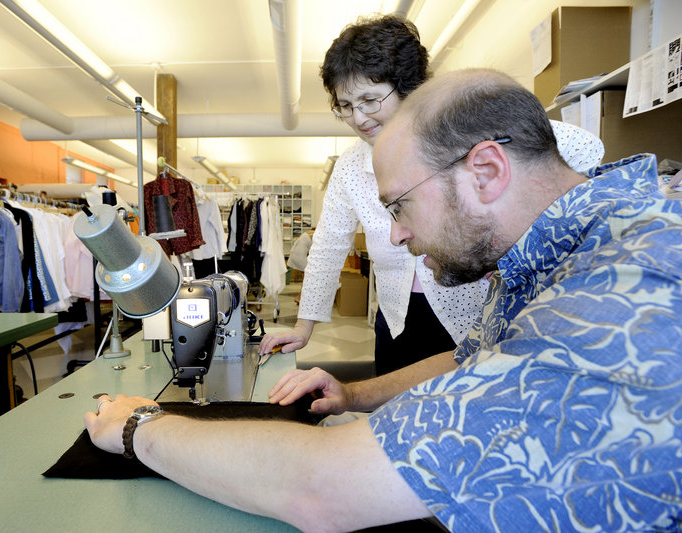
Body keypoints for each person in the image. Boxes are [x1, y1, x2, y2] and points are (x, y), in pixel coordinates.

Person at [85, 69, 682, 532]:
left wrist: (139, 424)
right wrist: (356, 394)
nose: (393, 235)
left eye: (400, 206)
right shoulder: (563, 249)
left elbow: (321, 488)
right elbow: (472, 358)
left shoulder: (620, 293)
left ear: (486, 170)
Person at [258, 15, 604, 377]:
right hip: (397, 317)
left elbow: (583, 149)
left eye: (370, 100)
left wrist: (524, 248)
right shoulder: (350, 167)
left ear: (408, 87)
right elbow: (329, 244)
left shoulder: (459, 129)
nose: (358, 118)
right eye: (345, 105)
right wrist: (304, 325)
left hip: (476, 314)